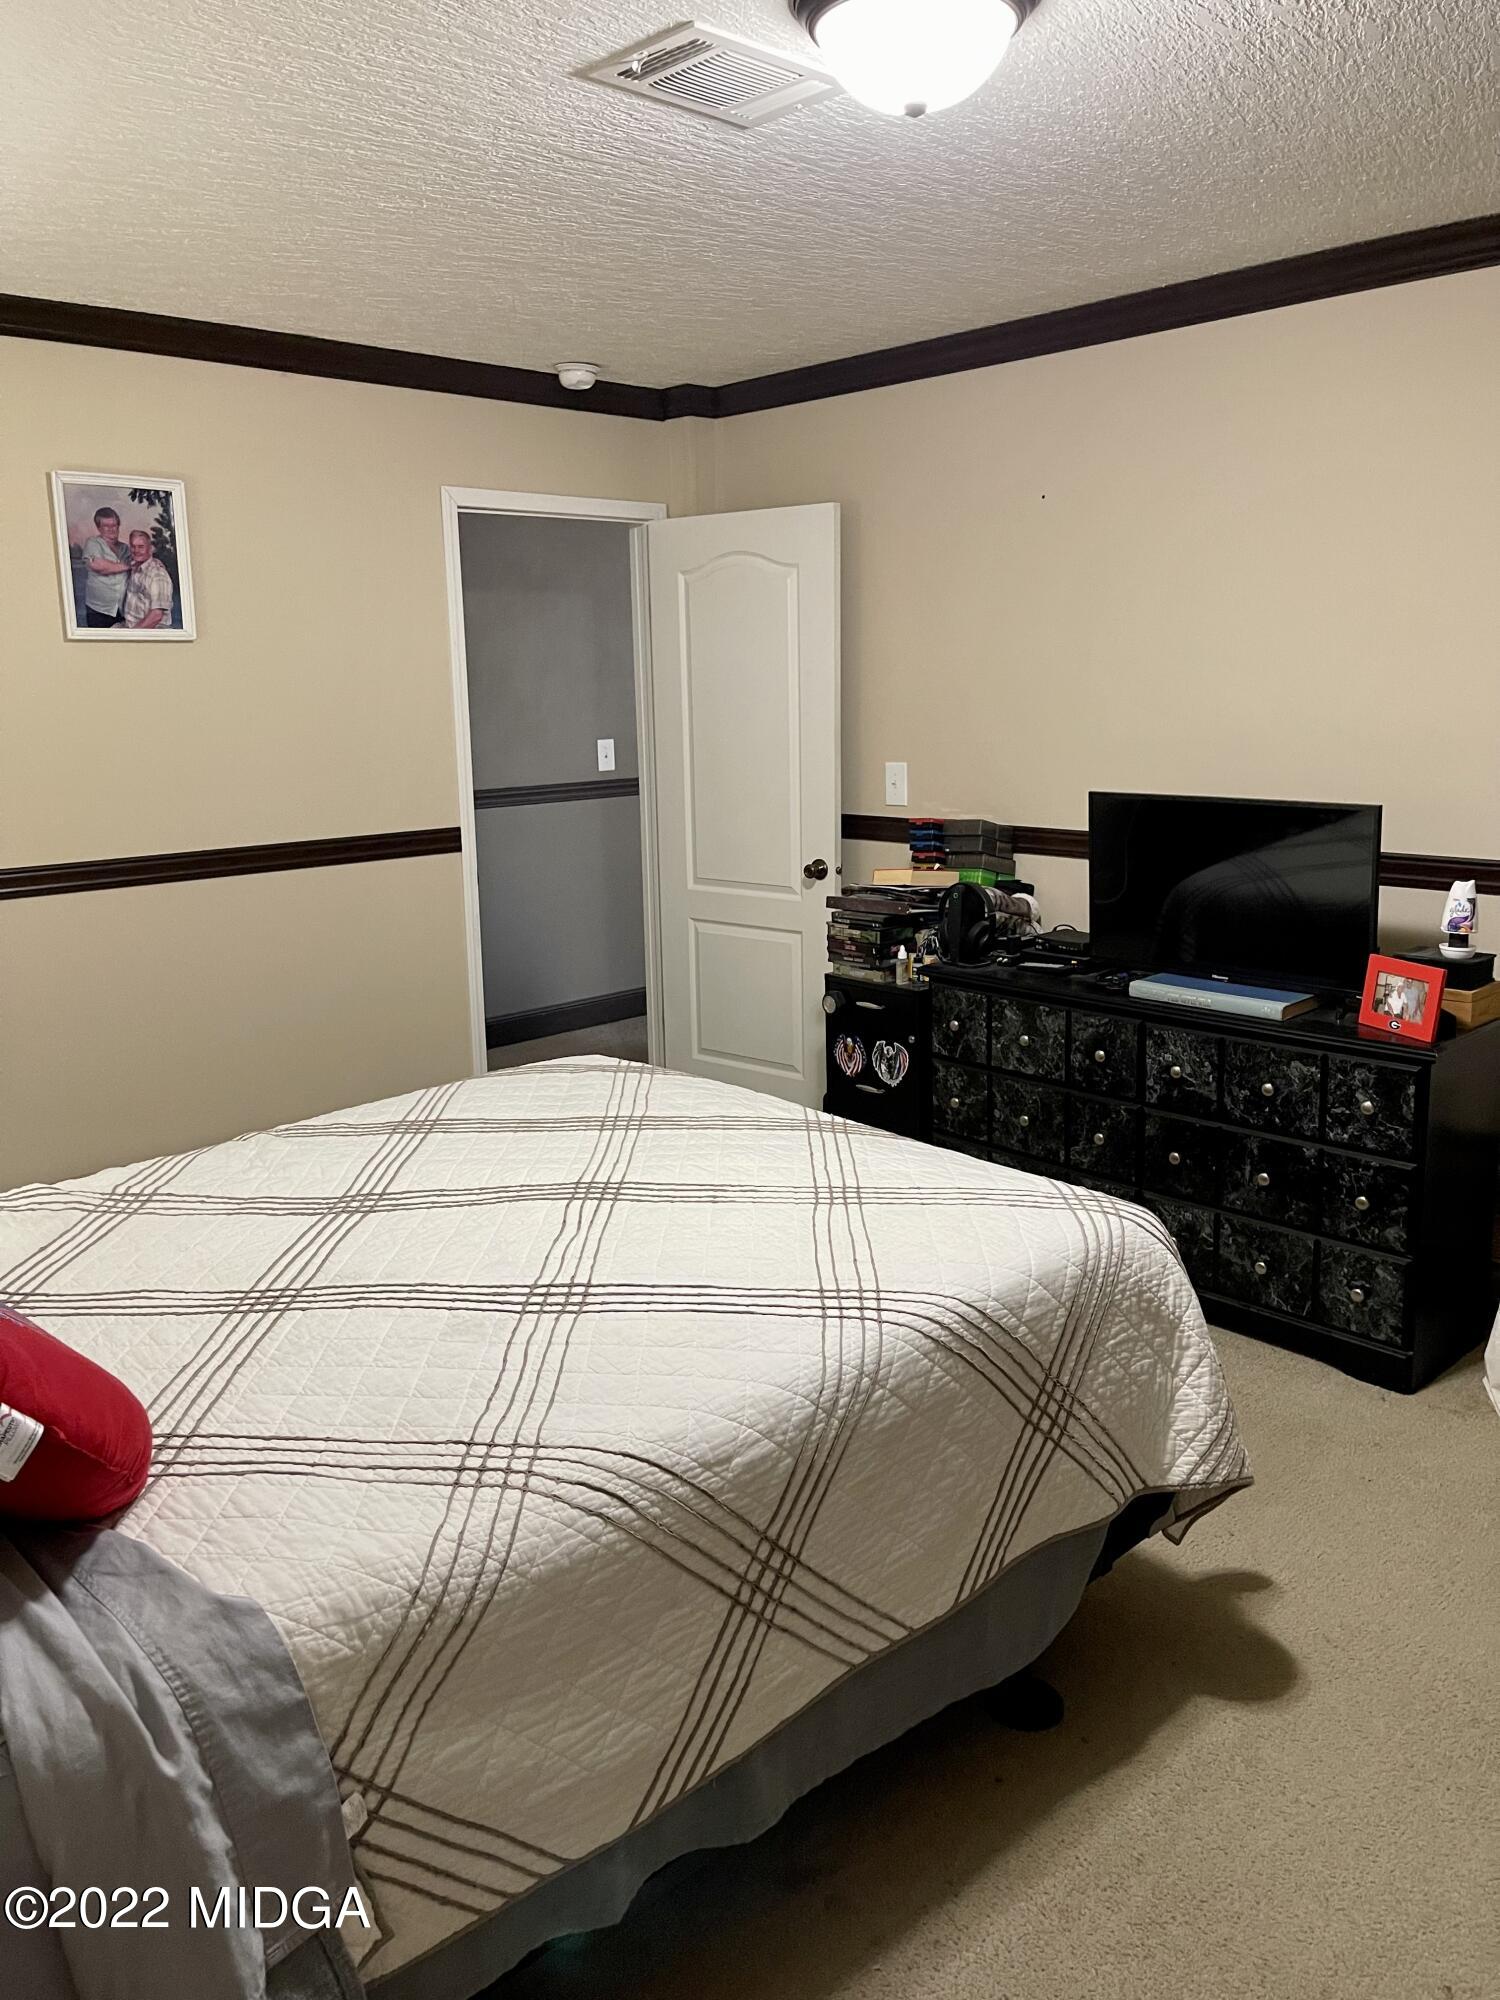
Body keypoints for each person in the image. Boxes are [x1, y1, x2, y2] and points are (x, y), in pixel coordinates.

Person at [80, 507, 130, 627]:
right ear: (99, 528)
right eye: (106, 526)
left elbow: (140, 564)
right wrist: (128, 566)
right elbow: (98, 566)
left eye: (114, 525)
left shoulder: (125, 548)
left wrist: (155, 563)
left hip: (123, 609)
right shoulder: (93, 543)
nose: (111, 529)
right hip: (99, 610)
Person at [122, 528, 174, 631]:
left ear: (150, 549)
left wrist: (131, 635)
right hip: (129, 626)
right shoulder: (135, 566)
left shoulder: (158, 575)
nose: (136, 550)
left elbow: (156, 616)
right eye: (133, 546)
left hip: (150, 630)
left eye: (141, 547)